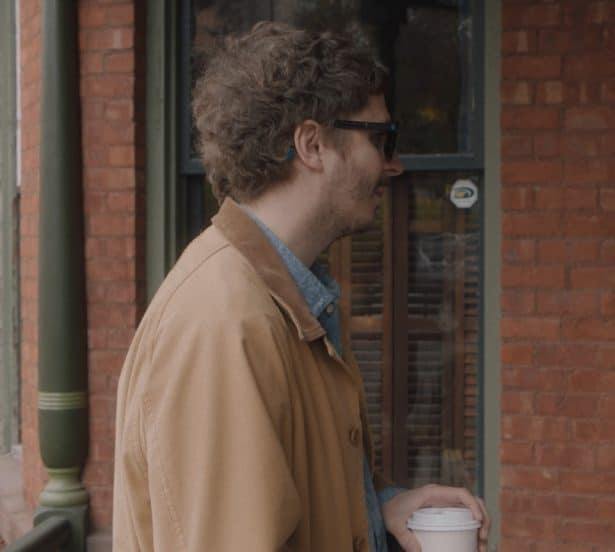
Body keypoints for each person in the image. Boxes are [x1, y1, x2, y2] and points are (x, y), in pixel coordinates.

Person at [113, 21, 489, 552]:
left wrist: (375, 511)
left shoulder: (288, 297)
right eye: (381, 139)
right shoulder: (224, 323)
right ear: (313, 144)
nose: (394, 164)